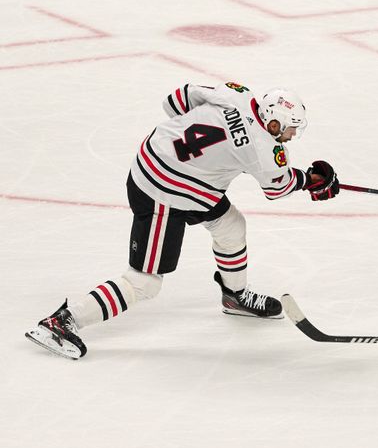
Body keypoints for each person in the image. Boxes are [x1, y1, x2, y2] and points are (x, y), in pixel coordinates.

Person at [25, 82, 339, 360]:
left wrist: (200, 147)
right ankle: (63, 321)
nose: (292, 135)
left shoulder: (236, 94)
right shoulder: (264, 150)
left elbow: (175, 100)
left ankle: (235, 296)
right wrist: (310, 180)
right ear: (272, 122)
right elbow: (278, 187)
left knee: (231, 226)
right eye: (289, 128)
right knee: (145, 282)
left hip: (165, 168)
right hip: (165, 193)